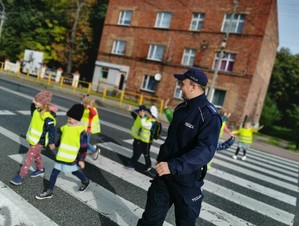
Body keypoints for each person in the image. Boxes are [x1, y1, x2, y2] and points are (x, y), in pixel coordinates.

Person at [137, 68, 222, 226]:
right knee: (149, 220)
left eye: (182, 84)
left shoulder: (209, 116)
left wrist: (174, 166)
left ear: (193, 86)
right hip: (164, 176)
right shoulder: (181, 109)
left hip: (186, 181)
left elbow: (205, 151)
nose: (179, 87)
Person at [35, 104, 90, 200]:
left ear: (78, 119)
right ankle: (49, 190)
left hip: (71, 157)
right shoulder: (66, 127)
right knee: (54, 173)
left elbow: (84, 147)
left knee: (74, 171)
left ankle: (85, 181)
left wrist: (81, 159)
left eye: (71, 118)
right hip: (61, 156)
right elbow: (62, 139)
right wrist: (55, 145)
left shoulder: (81, 131)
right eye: (68, 118)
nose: (69, 120)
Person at [10, 90, 57, 186]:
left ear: (43, 104)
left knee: (28, 157)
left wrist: (52, 143)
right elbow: (33, 110)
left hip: (39, 141)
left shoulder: (47, 116)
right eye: (35, 100)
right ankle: (40, 169)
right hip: (33, 139)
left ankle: (21, 176)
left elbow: (52, 130)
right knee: (36, 155)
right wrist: (34, 102)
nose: (35, 102)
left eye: (37, 101)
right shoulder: (37, 110)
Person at [126, 105, 158, 172]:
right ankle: (133, 160)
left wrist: (143, 116)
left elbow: (144, 125)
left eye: (148, 113)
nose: (147, 113)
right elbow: (135, 115)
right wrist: (131, 110)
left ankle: (136, 164)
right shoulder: (142, 117)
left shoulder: (149, 120)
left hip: (145, 140)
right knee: (137, 151)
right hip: (139, 138)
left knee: (143, 153)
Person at [81, 94, 101, 160]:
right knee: (83, 143)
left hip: (87, 130)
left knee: (84, 143)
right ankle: (89, 150)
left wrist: (89, 107)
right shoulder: (85, 109)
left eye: (85, 103)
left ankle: (94, 151)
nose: (83, 104)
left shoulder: (92, 110)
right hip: (82, 129)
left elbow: (93, 113)